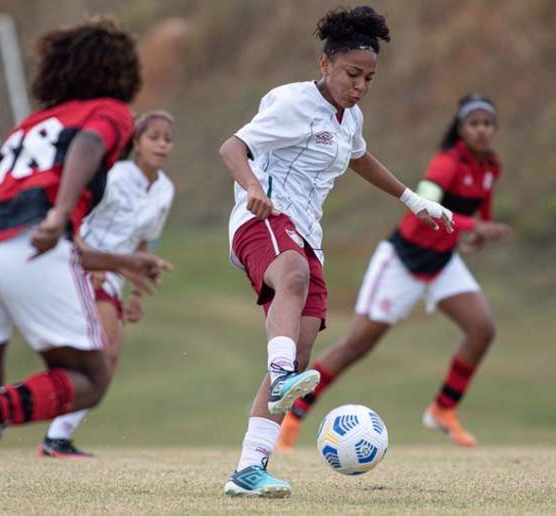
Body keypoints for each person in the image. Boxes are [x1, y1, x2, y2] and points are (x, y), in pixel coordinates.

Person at [0, 19, 169, 516]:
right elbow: (88, 148)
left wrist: (119, 258)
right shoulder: (107, 111)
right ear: (120, 72)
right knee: (89, 377)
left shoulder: (27, 126)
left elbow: (14, 216)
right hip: (28, 239)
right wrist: (63, 211)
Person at [218, 5, 453, 498]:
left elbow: (360, 157)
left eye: (369, 77)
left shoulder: (351, 118)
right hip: (263, 220)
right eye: (352, 73)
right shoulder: (291, 102)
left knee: (301, 352)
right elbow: (232, 148)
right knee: (293, 278)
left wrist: (413, 200)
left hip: (306, 233)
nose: (361, 84)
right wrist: (253, 188)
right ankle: (281, 375)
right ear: (325, 65)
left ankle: (248, 469)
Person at [276, 94, 513, 452]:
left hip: (442, 263)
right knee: (357, 345)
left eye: (487, 124)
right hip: (402, 261)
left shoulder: (491, 167)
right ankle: (292, 418)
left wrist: (479, 231)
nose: (481, 131)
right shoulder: (444, 165)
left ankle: (443, 410)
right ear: (461, 129)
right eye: (473, 124)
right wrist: (471, 227)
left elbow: (483, 212)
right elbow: (425, 207)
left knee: (482, 329)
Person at [40, 110, 176, 457]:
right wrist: (90, 256)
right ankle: (47, 431)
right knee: (104, 352)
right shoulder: (114, 176)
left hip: (114, 277)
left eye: (168, 139)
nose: (162, 144)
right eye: (154, 137)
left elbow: (143, 245)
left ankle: (56, 435)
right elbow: (73, 220)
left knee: (107, 360)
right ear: (136, 143)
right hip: (79, 266)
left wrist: (136, 294)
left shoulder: (164, 190)